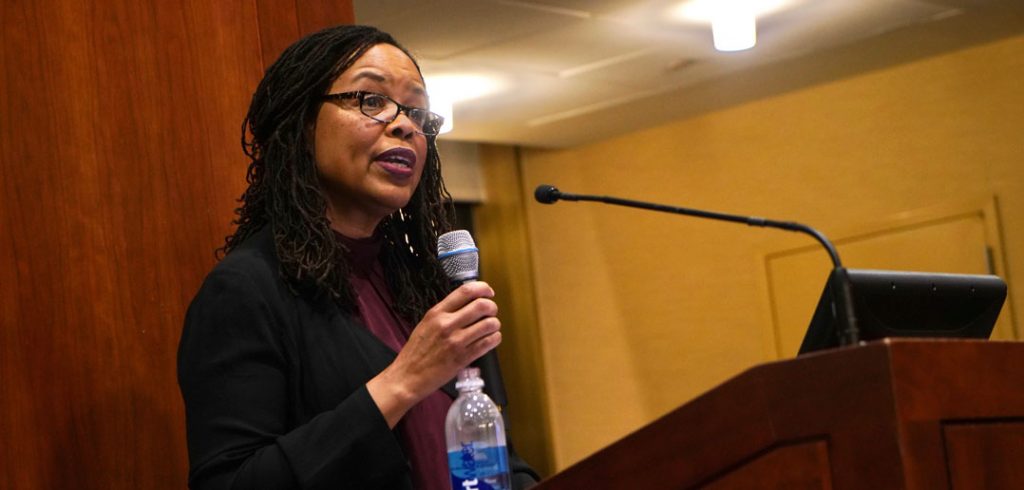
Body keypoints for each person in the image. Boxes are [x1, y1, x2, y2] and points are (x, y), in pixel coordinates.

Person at [177, 25, 540, 489]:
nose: (405, 124)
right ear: (302, 123)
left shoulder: (421, 283)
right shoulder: (249, 289)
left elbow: (493, 451)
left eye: (418, 111)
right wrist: (403, 381)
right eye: (371, 100)